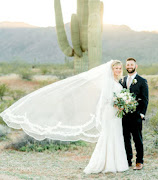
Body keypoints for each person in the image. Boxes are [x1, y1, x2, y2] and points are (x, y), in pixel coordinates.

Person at [0, 60, 128, 174]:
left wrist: (122, 104)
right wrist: (117, 104)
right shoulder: (109, 83)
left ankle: (117, 163)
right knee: (108, 136)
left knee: (116, 135)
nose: (117, 70)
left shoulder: (117, 82)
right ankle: (106, 163)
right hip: (110, 112)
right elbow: (105, 99)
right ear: (111, 70)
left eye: (119, 69)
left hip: (116, 114)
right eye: (115, 68)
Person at [120, 57, 149, 170]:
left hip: (136, 115)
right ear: (125, 66)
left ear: (135, 66)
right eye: (127, 65)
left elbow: (145, 99)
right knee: (125, 139)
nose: (129, 66)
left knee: (137, 139)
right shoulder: (122, 80)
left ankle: (139, 162)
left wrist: (142, 114)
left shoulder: (142, 81)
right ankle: (128, 161)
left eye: (131, 65)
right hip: (124, 115)